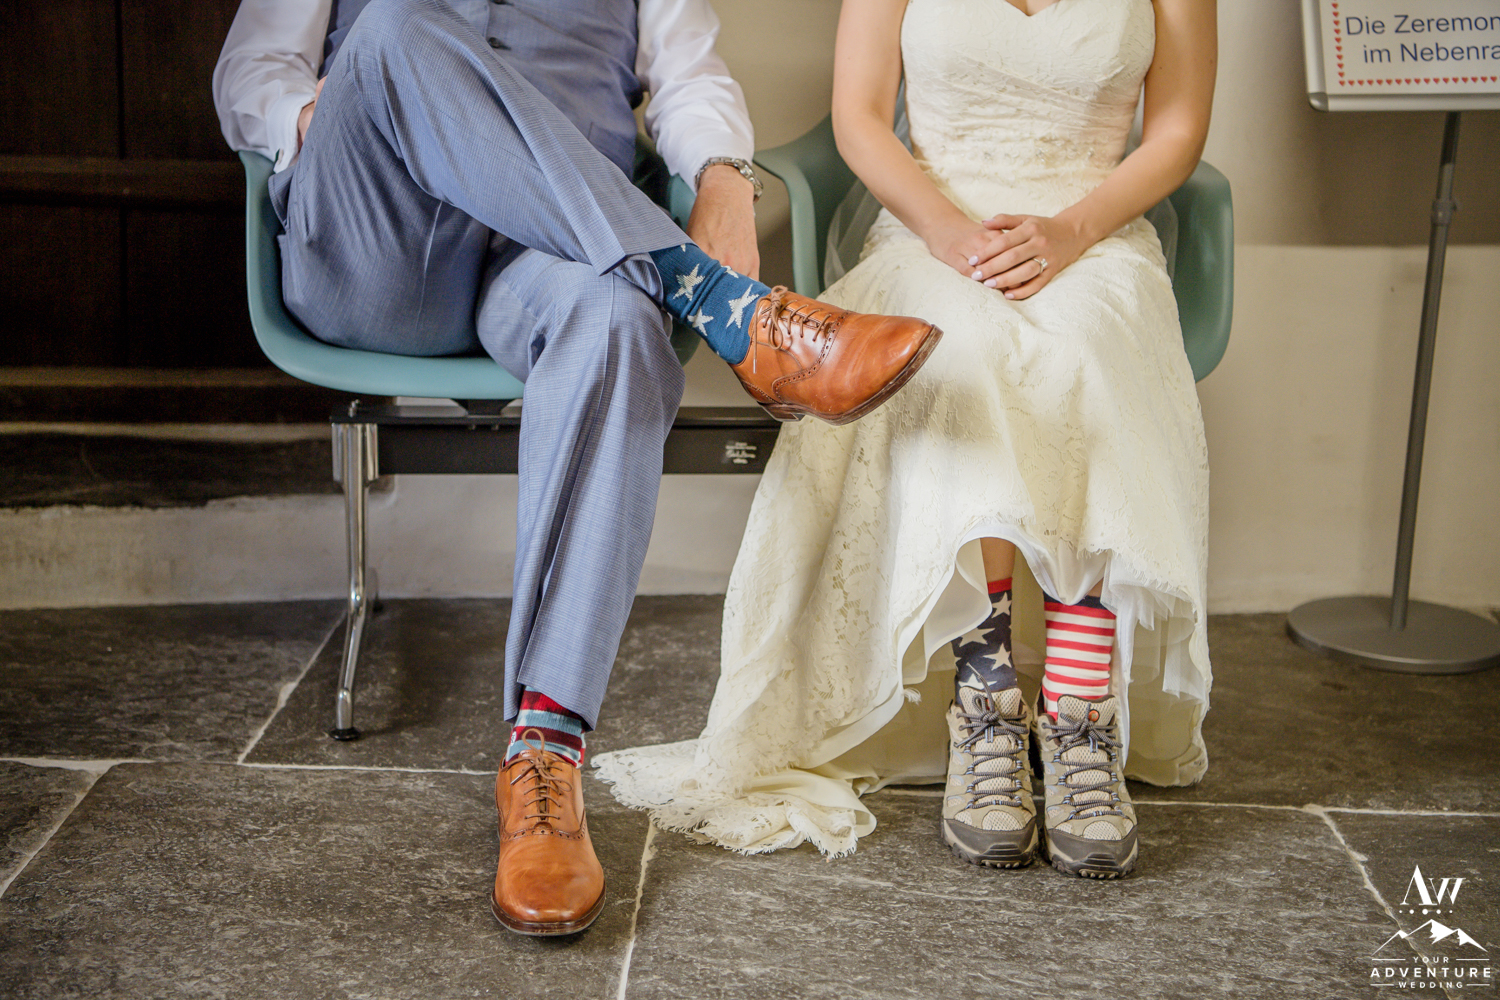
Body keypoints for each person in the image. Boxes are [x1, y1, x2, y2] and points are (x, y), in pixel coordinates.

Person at [213, 0, 943, 936]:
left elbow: (689, 74)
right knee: (393, 30)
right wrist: (319, 116)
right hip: (383, 251)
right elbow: (251, 72)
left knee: (618, 324)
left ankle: (545, 755)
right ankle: (718, 302)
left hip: (545, 249)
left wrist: (723, 176)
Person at [596, 0, 1218, 880]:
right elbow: (859, 115)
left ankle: (1081, 713)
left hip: (1094, 235)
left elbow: (1180, 130)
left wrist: (1070, 231)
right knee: (957, 348)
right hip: (934, 226)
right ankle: (987, 697)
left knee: (1084, 350)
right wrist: (948, 232)